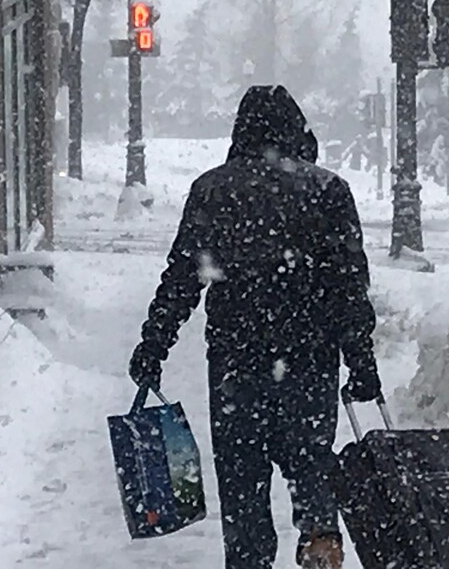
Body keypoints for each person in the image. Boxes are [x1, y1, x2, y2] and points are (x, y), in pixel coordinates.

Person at [128, 86, 381, 569]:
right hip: (308, 364)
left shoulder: (212, 190)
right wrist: (360, 357)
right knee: (312, 472)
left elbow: (183, 278)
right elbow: (347, 287)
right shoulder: (327, 191)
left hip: (235, 367)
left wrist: (153, 345)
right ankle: (321, 550)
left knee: (242, 490)